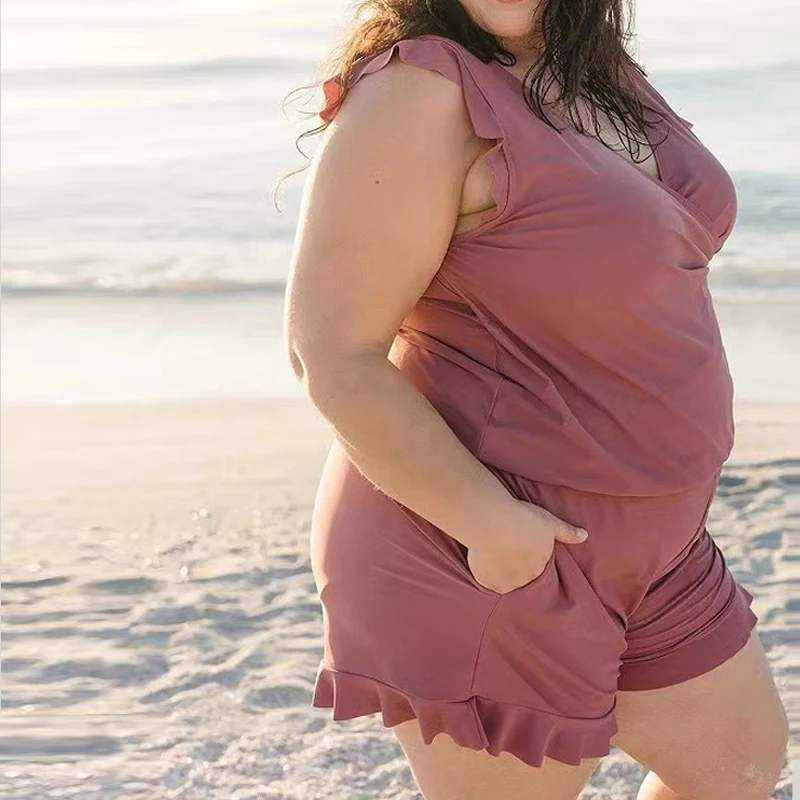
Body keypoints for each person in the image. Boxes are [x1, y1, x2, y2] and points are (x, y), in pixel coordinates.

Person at [283, 1, 789, 798]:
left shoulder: (595, 67)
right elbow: (331, 352)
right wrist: (493, 528)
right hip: (494, 546)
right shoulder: (419, 90)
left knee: (739, 770)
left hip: (658, 545)